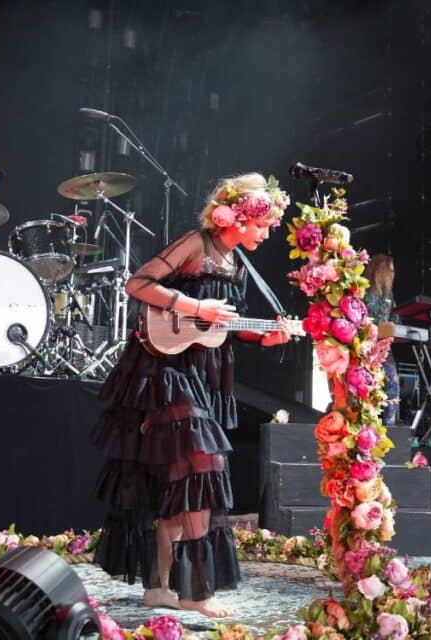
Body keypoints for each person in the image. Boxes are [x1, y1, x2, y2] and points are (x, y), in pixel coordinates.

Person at [90, 172, 291, 618]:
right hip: (163, 368)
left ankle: (160, 585)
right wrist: (195, 307)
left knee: (177, 476)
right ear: (237, 218)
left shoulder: (238, 262)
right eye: (263, 224)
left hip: (201, 371)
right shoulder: (196, 244)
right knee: (204, 464)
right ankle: (196, 591)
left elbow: (219, 331)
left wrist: (263, 338)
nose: (267, 232)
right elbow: (138, 284)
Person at [363, 253, 399, 425]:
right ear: (380, 270)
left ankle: (389, 427)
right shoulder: (365, 290)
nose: (392, 274)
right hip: (364, 346)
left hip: (383, 347)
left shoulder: (389, 295)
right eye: (389, 270)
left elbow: (393, 317)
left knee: (393, 384)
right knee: (365, 387)